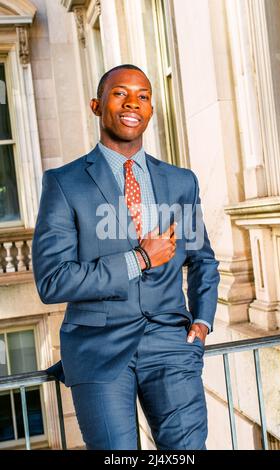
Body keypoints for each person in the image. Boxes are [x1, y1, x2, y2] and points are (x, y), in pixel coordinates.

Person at [32, 64, 220, 450]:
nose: (133, 102)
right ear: (97, 105)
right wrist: (139, 259)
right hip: (98, 348)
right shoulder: (64, 183)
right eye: (120, 93)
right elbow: (53, 281)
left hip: (171, 345)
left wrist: (201, 322)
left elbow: (202, 260)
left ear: (150, 110)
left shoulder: (181, 182)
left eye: (143, 96)